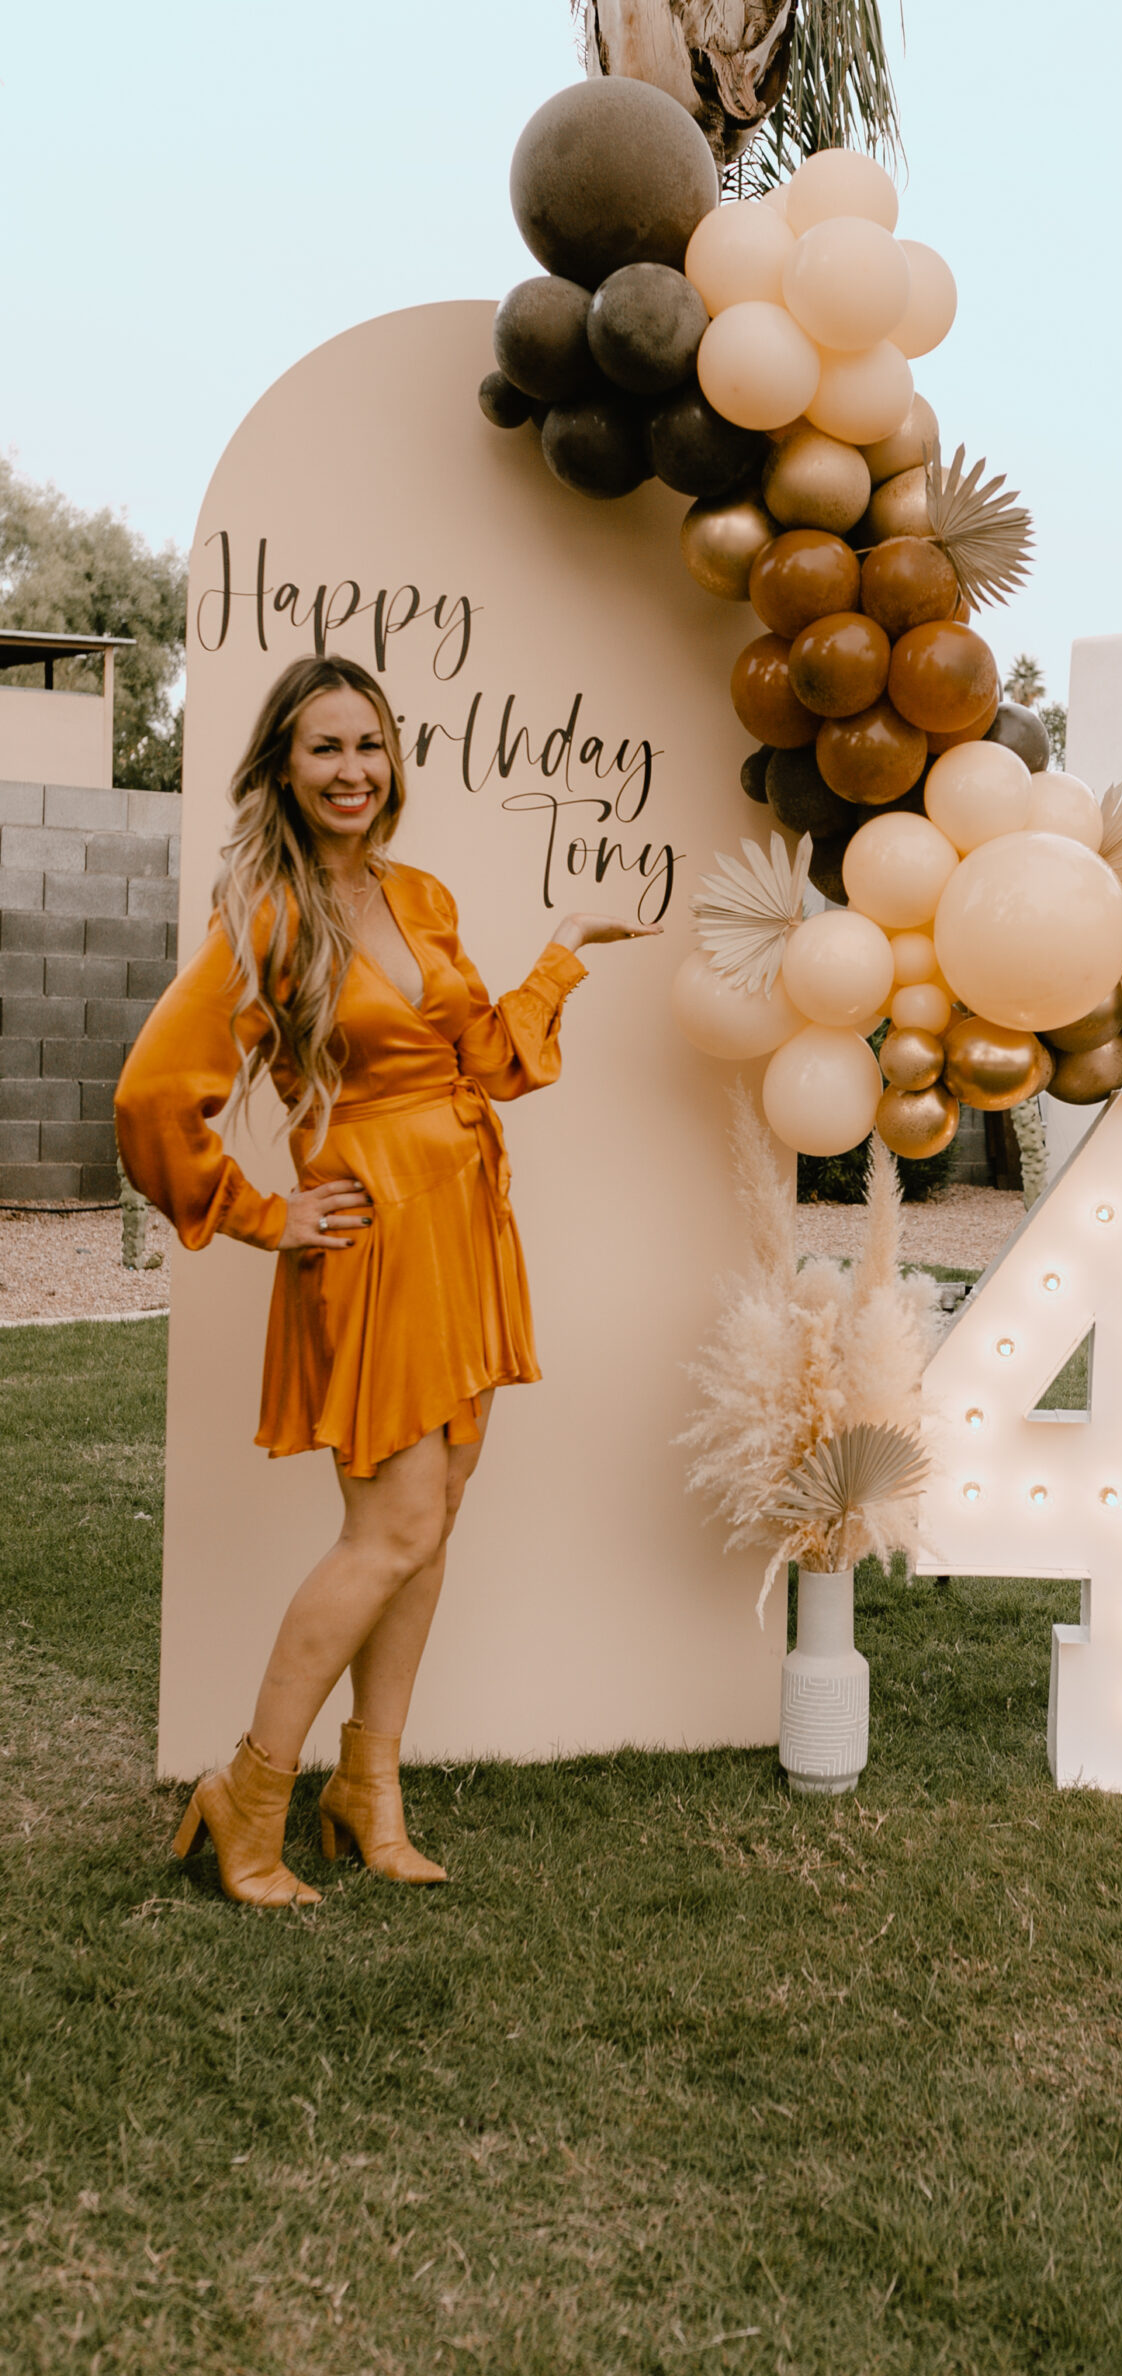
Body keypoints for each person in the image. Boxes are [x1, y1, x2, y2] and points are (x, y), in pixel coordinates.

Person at [115, 653, 658, 1906]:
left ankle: (370, 1789)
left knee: (436, 1514)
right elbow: (154, 1096)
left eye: (370, 745)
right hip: (371, 1238)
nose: (352, 769)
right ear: (284, 768)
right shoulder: (267, 910)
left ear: (392, 760)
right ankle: (249, 1796)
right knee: (390, 1527)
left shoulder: (420, 895)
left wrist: (564, 947)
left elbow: (486, 1060)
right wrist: (262, 1212)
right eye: (324, 748)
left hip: (463, 1217)